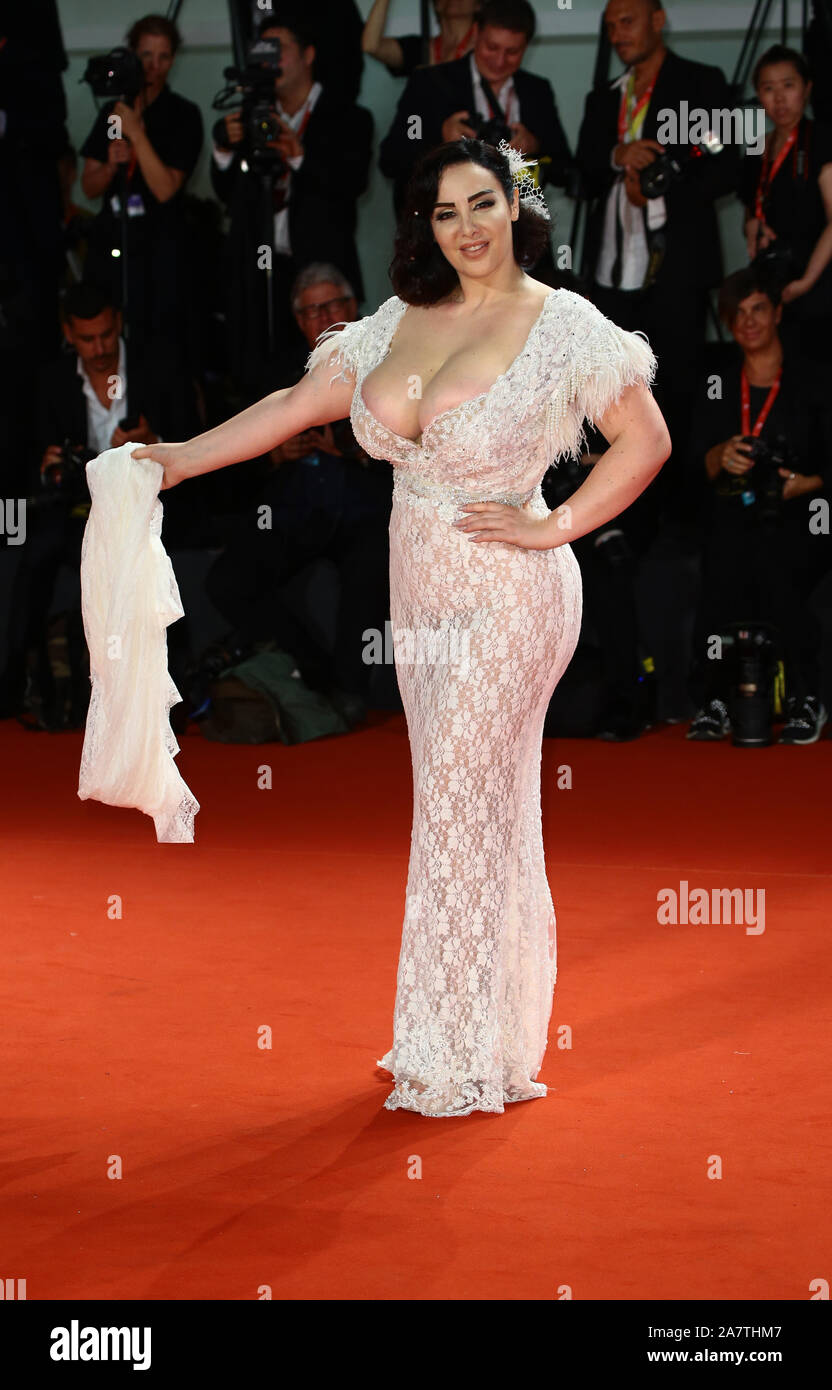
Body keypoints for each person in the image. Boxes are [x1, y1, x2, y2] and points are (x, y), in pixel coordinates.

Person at [133, 137, 669, 1118]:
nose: (465, 227)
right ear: (422, 224)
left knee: (464, 800)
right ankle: (479, 1039)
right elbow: (298, 404)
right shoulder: (394, 323)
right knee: (466, 808)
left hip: (513, 590)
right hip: (418, 597)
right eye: (443, 211)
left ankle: (453, 1055)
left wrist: (553, 522)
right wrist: (173, 460)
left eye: (481, 203)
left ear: (516, 206)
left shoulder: (562, 325)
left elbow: (648, 440)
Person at [204, 263, 393, 727]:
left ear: (354, 308)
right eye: (310, 311)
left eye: (332, 306)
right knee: (227, 580)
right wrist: (274, 453)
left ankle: (350, 691)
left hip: (363, 508)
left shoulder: (392, 362)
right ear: (298, 320)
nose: (322, 318)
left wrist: (353, 450)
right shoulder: (280, 374)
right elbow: (236, 455)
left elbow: (426, 449)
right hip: (293, 512)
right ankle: (315, 674)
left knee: (371, 559)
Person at [576, 0, 740, 519]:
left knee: (679, 382)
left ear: (657, 19)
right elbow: (580, 174)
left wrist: (664, 193)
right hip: (608, 271)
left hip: (678, 268)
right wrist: (615, 156)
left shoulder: (702, 81)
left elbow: (728, 165)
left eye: (627, 21)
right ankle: (622, 512)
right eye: (610, 26)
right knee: (614, 388)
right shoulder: (603, 98)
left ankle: (681, 512)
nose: (618, 34)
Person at [687, 269, 832, 745]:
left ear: (778, 313)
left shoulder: (812, 376)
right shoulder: (716, 381)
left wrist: (803, 482)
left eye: (758, 310)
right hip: (737, 506)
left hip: (806, 507)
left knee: (779, 559)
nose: (748, 322)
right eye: (738, 314)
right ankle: (715, 698)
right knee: (722, 558)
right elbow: (692, 457)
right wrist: (718, 456)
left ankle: (806, 696)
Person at [211, 6, 373, 395]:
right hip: (259, 268)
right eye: (261, 52)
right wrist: (222, 150)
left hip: (320, 268)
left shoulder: (348, 117)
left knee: (331, 375)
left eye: (278, 49)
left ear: (308, 55)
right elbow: (228, 195)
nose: (269, 61)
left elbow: (353, 184)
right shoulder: (251, 116)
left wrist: (300, 156)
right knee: (262, 376)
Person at [79, 13, 203, 361]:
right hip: (113, 244)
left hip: (160, 247)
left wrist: (136, 133)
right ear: (133, 54)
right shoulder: (112, 110)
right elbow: (88, 186)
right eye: (146, 55)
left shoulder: (183, 114)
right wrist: (109, 166)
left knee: (162, 347)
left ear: (173, 60)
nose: (154, 66)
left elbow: (166, 189)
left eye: (163, 57)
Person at [378, 0, 572, 220]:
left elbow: (565, 170)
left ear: (527, 47)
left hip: (519, 236)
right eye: (492, 47)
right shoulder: (429, 84)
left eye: (512, 52)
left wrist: (535, 146)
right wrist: (441, 138)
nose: (499, 61)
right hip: (448, 235)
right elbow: (391, 161)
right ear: (475, 34)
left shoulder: (536, 91)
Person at [739, 44, 832, 364]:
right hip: (771, 281)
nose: (779, 99)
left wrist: (806, 282)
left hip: (817, 278)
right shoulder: (757, 148)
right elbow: (751, 209)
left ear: (807, 88)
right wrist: (752, 226)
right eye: (768, 88)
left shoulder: (821, 140)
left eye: (788, 86)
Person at [363, 0, 479, 80]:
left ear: (478, 5)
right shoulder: (420, 48)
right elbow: (370, 45)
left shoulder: (486, 48)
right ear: (436, 4)